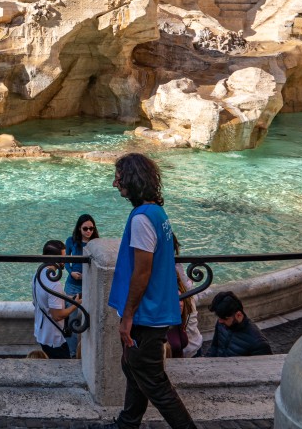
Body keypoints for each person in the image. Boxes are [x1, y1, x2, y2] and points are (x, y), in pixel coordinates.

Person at [107, 153, 197, 429]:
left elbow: (142, 271)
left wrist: (128, 317)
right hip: (156, 310)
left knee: (155, 383)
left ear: (132, 180)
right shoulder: (157, 213)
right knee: (133, 368)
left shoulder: (141, 220)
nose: (115, 184)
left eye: (119, 178)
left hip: (145, 315)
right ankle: (127, 423)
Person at [33, 240, 80, 360]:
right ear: (55, 259)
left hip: (42, 333)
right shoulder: (54, 282)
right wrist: (76, 305)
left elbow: (43, 300)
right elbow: (57, 315)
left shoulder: (38, 274)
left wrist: (71, 298)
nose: (65, 260)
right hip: (54, 339)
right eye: (63, 257)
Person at [64, 213, 99, 356]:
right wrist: (71, 271)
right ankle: (72, 353)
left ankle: (88, 352)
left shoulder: (97, 244)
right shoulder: (71, 241)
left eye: (91, 228)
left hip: (89, 286)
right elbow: (65, 260)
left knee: (90, 319)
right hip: (72, 285)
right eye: (85, 228)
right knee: (71, 320)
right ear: (79, 228)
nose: (89, 231)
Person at [197, 291, 272, 358]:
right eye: (219, 317)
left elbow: (262, 369)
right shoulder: (222, 323)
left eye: (224, 318)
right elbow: (214, 346)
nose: (220, 321)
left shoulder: (258, 343)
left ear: (238, 315)